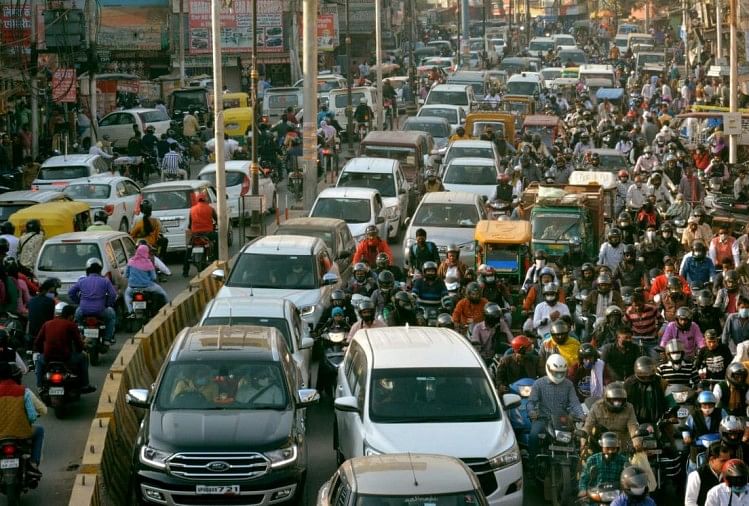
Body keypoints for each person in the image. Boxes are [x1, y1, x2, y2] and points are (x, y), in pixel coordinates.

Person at [527, 354, 585, 468]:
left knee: (576, 439)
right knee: (533, 436)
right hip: (543, 419)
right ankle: (532, 465)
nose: (559, 375)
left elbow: (575, 402)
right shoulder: (538, 383)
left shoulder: (568, 384)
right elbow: (531, 402)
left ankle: (576, 465)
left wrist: (581, 415)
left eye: (561, 372)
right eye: (555, 372)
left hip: (562, 420)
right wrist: (531, 412)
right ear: (548, 369)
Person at [33, 302, 96, 393]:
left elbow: (37, 342)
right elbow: (78, 343)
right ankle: (84, 385)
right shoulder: (71, 325)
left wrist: (42, 352)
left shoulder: (47, 323)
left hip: (48, 357)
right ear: (71, 316)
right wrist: (81, 349)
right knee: (84, 357)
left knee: (39, 360)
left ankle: (39, 386)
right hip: (65, 358)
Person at [0, 362, 45, 478]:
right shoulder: (23, 391)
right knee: (39, 431)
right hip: (21, 434)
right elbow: (32, 416)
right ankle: (34, 463)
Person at [67, 258, 118, 345]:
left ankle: (80, 335)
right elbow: (113, 294)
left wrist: (79, 302)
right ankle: (107, 339)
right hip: (101, 311)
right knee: (112, 316)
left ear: (87, 270)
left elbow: (70, 292)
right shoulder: (105, 281)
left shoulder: (82, 281)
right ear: (100, 270)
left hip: (83, 311)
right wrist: (107, 304)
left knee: (78, 320)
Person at [578, 432, 631, 500]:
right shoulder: (592, 460)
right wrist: (583, 489)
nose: (610, 451)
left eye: (613, 449)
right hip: (596, 495)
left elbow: (629, 478)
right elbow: (584, 477)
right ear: (602, 446)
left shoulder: (623, 461)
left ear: (617, 448)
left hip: (617, 496)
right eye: (607, 448)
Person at [124, 244, 168, 317]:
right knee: (163, 293)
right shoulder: (148, 263)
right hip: (147, 287)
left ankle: (130, 311)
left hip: (132, 287)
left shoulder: (130, 261)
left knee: (127, 295)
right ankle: (168, 307)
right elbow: (154, 277)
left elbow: (126, 275)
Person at [624, 356, 668, 425]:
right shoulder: (629, 383)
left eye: (649, 374)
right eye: (643, 374)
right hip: (635, 420)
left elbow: (669, 398)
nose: (647, 377)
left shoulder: (661, 381)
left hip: (658, 420)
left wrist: (672, 415)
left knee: (673, 433)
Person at [183, 193, 218, 277]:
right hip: (208, 234)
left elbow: (190, 223)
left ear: (197, 200)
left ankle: (185, 271)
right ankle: (216, 260)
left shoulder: (192, 209)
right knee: (218, 240)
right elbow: (216, 220)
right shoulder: (210, 209)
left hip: (195, 235)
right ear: (205, 199)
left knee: (188, 249)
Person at [27, 278, 59, 348]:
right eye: (51, 292)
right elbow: (50, 320)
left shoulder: (32, 300)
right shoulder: (50, 302)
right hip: (43, 334)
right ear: (45, 290)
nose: (53, 294)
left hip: (32, 333)